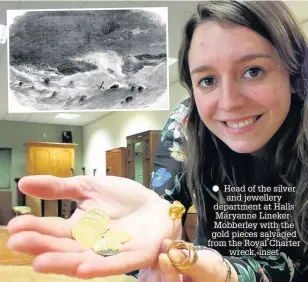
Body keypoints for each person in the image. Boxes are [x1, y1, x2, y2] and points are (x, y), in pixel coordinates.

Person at [6, 1, 308, 281]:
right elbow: (163, 209)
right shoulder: (187, 122)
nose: (228, 102)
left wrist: (225, 273)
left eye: (252, 71)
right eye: (207, 80)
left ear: (294, 73)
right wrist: (157, 234)